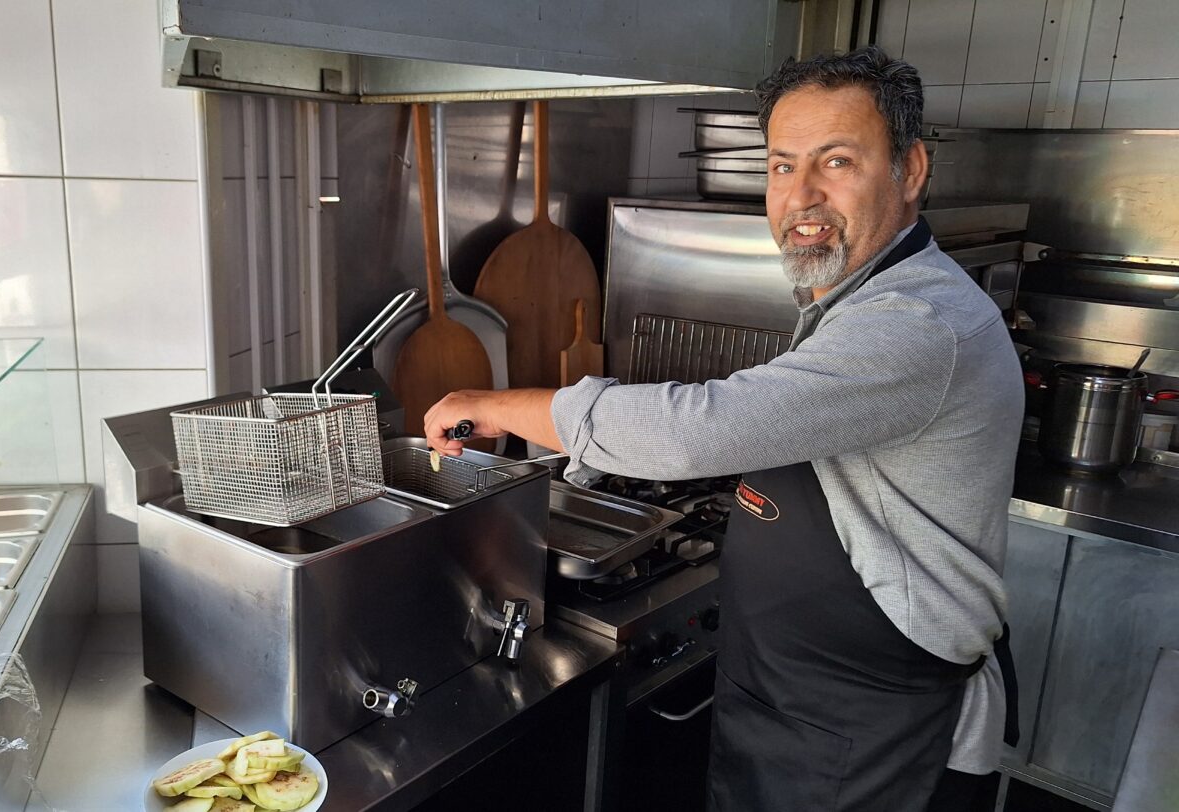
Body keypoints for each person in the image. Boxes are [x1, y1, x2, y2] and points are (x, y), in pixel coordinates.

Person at [423, 47, 1023, 811]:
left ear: (910, 171)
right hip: (799, 699)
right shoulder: (856, 298)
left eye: (836, 161)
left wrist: (502, 404)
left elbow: (699, 432)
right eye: (780, 166)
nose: (800, 195)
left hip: (872, 720)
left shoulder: (919, 321)